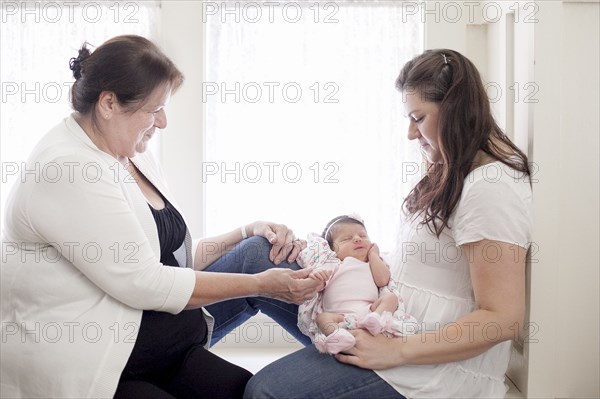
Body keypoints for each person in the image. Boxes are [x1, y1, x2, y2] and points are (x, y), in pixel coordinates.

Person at [0, 35, 323, 399]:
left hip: (166, 345)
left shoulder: (130, 151)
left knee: (257, 256)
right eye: (155, 110)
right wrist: (264, 284)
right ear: (109, 103)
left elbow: (167, 257)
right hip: (102, 361)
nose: (164, 121)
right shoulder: (68, 168)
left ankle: (352, 343)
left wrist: (245, 231)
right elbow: (145, 281)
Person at [244, 49, 533, 398]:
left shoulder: (490, 188)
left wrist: (395, 351)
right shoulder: (451, 166)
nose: (411, 133)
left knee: (266, 390)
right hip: (381, 314)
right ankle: (169, 350)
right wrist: (337, 257)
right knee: (259, 254)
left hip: (428, 365)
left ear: (456, 110)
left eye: (418, 118)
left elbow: (502, 317)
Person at [297, 214, 418, 355]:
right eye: (346, 239)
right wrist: (317, 277)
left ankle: (377, 318)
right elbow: (318, 283)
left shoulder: (372, 263)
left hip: (369, 311)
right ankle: (338, 336)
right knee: (322, 319)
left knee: (391, 298)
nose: (357, 239)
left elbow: (383, 280)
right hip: (339, 316)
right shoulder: (335, 264)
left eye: (363, 236)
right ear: (333, 250)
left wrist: (373, 255)